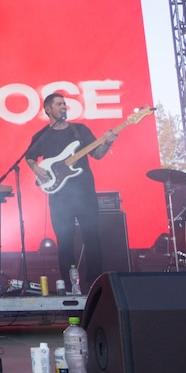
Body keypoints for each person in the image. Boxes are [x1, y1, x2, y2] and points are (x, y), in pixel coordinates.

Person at [24, 93, 117, 289]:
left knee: (92, 238)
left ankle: (95, 285)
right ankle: (68, 285)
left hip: (85, 194)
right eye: (59, 104)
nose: (63, 106)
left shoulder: (79, 130)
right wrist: (36, 168)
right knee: (65, 242)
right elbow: (30, 156)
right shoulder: (42, 135)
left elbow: (97, 154)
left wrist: (107, 142)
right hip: (59, 196)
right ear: (48, 109)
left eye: (64, 103)